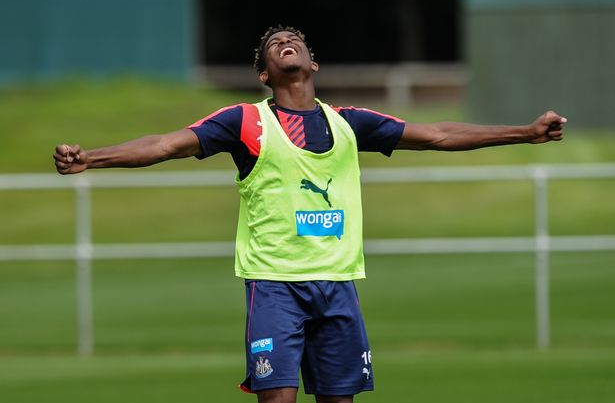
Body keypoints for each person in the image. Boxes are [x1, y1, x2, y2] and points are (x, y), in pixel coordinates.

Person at [53, 25, 566, 403]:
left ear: (312, 64)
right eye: (273, 43)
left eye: (294, 37)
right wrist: (93, 158)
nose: (285, 40)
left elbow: (438, 135)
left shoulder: (350, 123)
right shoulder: (245, 122)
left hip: (338, 284)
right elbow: (166, 144)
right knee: (277, 398)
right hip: (274, 285)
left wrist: (524, 132)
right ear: (263, 72)